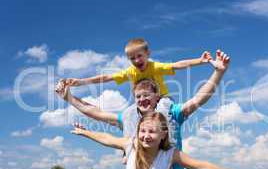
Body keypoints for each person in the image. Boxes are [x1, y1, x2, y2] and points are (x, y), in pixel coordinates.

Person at [55, 49, 230, 169]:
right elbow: (96, 113)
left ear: (157, 97)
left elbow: (198, 99)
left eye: (147, 95)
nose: (142, 99)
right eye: (138, 96)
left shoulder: (172, 112)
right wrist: (69, 98)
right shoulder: (129, 118)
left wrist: (218, 72)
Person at [70, 112, 265, 169]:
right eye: (143, 131)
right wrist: (84, 132)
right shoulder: (131, 145)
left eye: (152, 132)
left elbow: (204, 167)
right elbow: (105, 137)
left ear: (163, 134)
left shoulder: (170, 155)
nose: (146, 136)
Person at [63, 38, 219, 119]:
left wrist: (199, 61)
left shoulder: (155, 67)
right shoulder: (130, 72)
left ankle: (168, 135)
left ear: (148, 54)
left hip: (162, 99)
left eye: (139, 56)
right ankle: (128, 148)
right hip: (142, 103)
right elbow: (106, 77)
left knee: (164, 109)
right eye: (132, 58)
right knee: (130, 115)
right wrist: (81, 82)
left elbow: (177, 65)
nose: (137, 60)